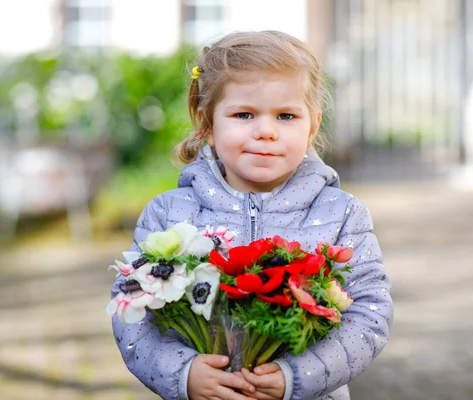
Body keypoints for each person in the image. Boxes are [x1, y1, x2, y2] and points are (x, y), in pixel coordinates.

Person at [111, 30, 393, 400]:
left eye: (286, 115)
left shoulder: (342, 215)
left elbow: (370, 313)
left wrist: (298, 377)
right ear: (207, 124)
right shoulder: (169, 214)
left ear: (312, 127)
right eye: (244, 114)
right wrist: (183, 373)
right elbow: (131, 311)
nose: (265, 131)